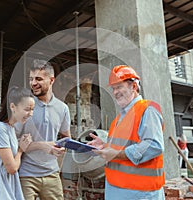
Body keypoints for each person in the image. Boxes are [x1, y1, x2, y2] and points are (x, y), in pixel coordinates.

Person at [88, 65, 165, 200]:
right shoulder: (120, 118)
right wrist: (105, 145)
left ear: (134, 87)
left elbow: (154, 145)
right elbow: (121, 146)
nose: (115, 92)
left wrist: (117, 154)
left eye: (119, 87)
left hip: (140, 192)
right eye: (113, 88)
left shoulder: (147, 110)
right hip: (117, 189)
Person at [17, 59, 71, 200]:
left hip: (52, 175)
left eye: (38, 79)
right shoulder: (24, 106)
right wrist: (42, 145)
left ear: (51, 80)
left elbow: (67, 140)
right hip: (26, 175)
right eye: (31, 79)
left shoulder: (62, 108)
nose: (33, 83)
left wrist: (60, 151)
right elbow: (12, 141)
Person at [0, 86, 35, 200]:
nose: (31, 114)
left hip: (7, 184)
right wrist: (20, 150)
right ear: (13, 107)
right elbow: (12, 168)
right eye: (27, 109)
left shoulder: (10, 128)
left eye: (33, 109)